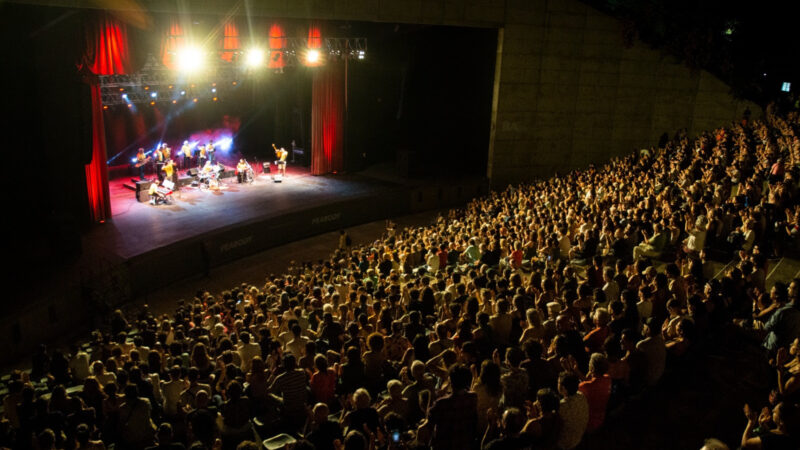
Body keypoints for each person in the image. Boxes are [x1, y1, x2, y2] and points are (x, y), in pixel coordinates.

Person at [424, 364, 478, 450]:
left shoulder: (441, 403)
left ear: (451, 381)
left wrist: (432, 394)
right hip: (465, 444)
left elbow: (429, 420)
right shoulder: (473, 397)